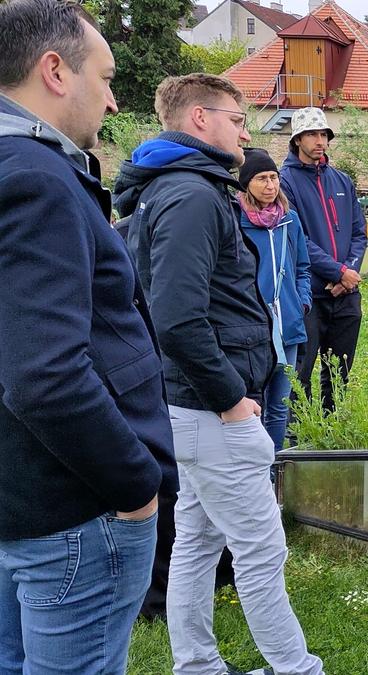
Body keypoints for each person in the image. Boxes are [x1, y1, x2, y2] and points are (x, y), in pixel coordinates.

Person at [114, 73, 323, 675]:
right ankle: (296, 668)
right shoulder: (192, 194)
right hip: (211, 407)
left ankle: (198, 664)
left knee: (198, 545)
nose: (245, 130)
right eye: (237, 118)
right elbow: (178, 318)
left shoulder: (184, 188)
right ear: (199, 119)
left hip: (197, 404)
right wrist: (233, 399)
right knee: (261, 551)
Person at [0, 2, 173, 672]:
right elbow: (44, 374)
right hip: (74, 508)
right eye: (103, 77)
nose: (111, 97)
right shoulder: (36, 178)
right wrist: (135, 484)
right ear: (55, 71)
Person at [279, 107, 368, 412]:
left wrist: (349, 272)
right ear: (297, 139)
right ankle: (298, 433)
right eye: (312, 134)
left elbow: (359, 231)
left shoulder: (342, 181)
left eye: (324, 135)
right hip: (310, 294)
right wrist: (338, 270)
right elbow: (297, 236)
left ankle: (333, 425)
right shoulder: (285, 182)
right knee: (301, 371)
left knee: (340, 369)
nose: (320, 141)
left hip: (346, 293)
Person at [239, 148, 312, 451]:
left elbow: (302, 267)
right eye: (261, 179)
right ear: (246, 183)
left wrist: (302, 301)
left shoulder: (289, 219)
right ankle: (252, 469)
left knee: (280, 405)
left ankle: (275, 468)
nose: (270, 185)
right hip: (251, 326)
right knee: (253, 404)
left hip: (288, 324)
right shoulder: (235, 218)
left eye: (274, 178)